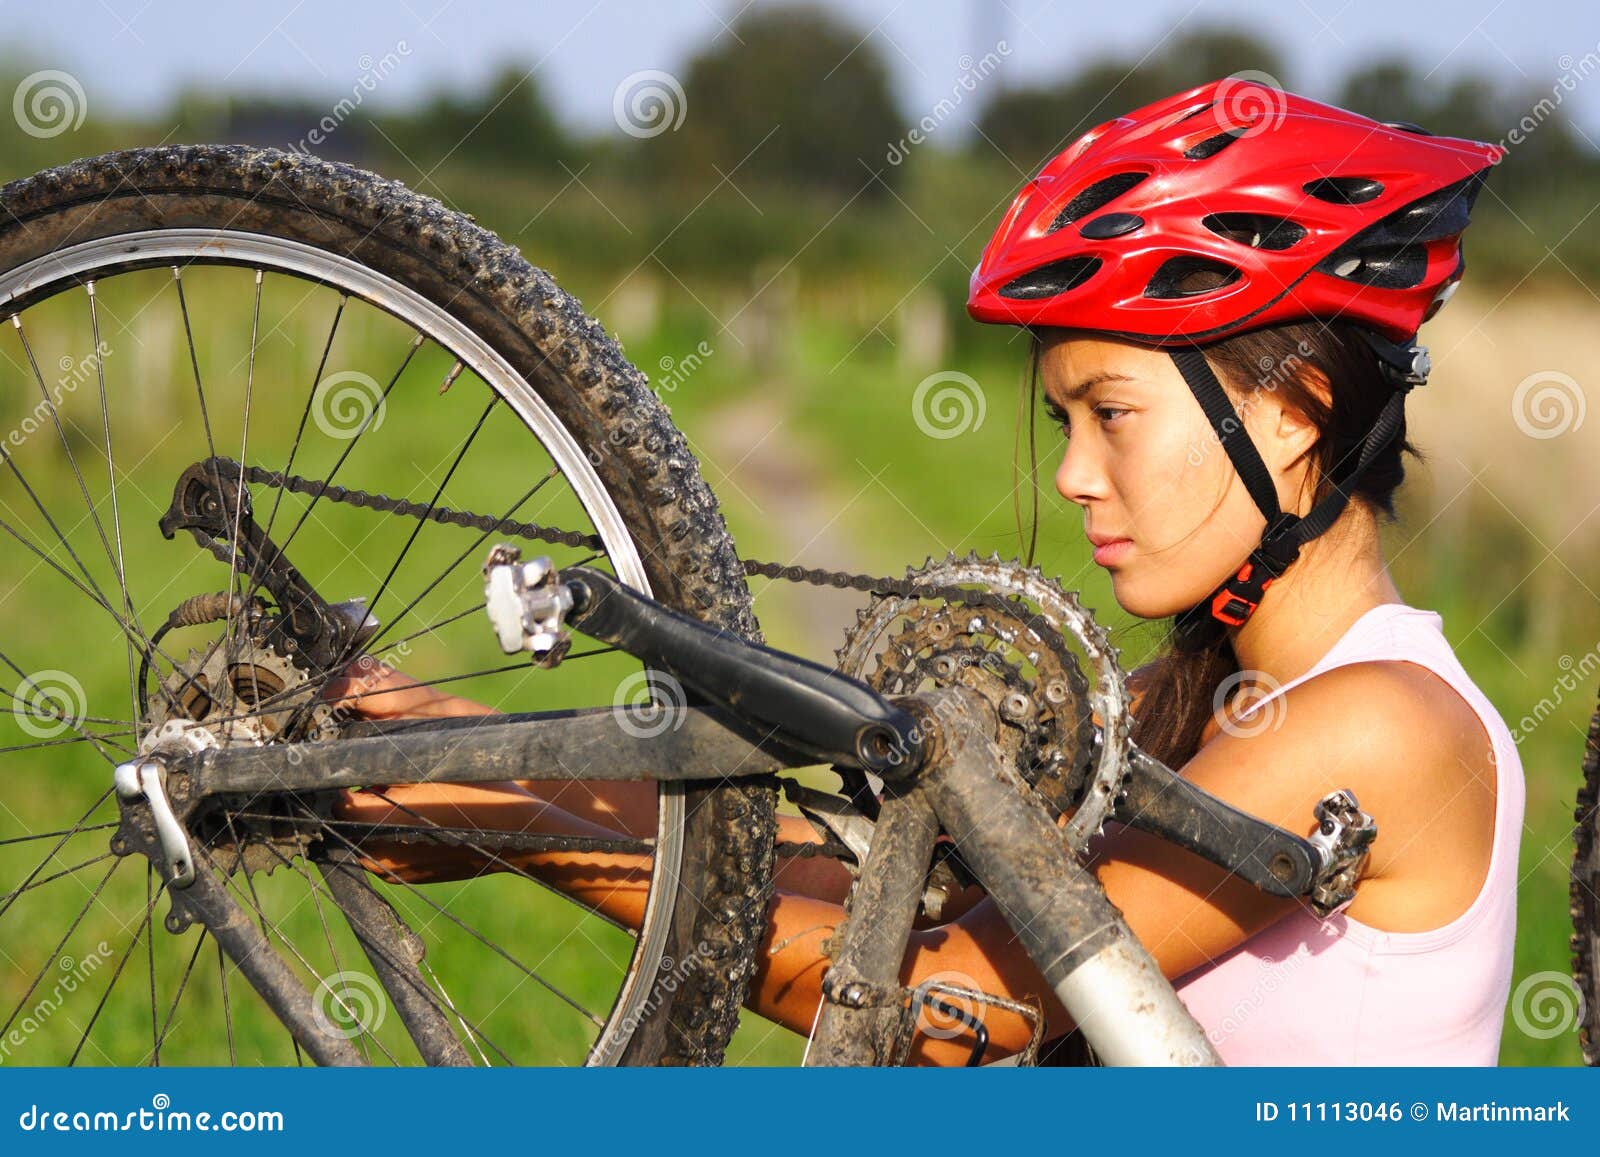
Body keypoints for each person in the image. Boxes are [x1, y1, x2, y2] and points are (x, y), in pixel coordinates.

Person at [327, 77, 1525, 1066]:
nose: (1074, 475)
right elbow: (927, 910)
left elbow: (953, 1002)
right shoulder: (1198, 701)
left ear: (1291, 417)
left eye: (1111, 412)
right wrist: (485, 757)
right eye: (1064, 424)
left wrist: (520, 817)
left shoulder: (1382, 724)